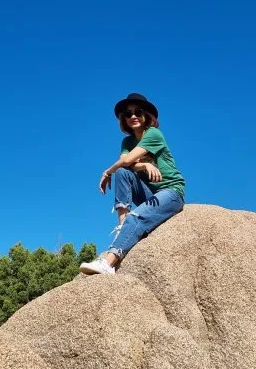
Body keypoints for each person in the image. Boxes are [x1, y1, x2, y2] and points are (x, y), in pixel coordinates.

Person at [79, 93, 185, 275]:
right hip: (149, 193)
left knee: (136, 214)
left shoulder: (153, 134)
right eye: (128, 114)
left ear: (146, 115)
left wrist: (107, 172)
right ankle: (123, 224)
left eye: (138, 112)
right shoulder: (127, 141)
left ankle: (108, 263)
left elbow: (127, 159)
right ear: (123, 119)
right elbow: (125, 164)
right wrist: (143, 164)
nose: (133, 117)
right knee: (122, 172)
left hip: (171, 192)